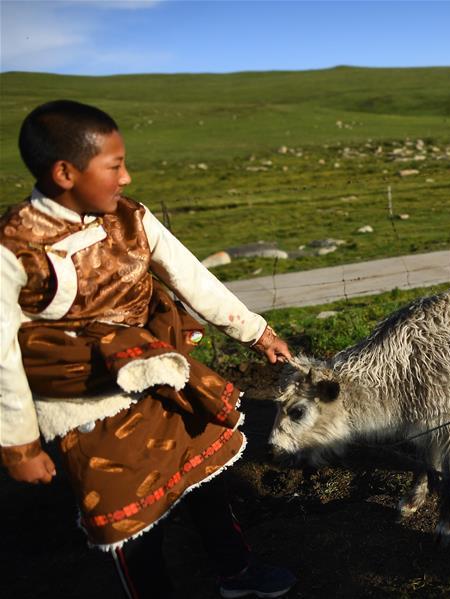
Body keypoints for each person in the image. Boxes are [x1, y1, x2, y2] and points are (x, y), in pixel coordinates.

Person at [0, 100, 297, 598]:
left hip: (163, 378)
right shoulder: (14, 248)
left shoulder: (132, 218)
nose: (127, 178)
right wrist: (20, 445)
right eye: (114, 166)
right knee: (133, 525)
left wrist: (257, 332)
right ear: (64, 172)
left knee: (203, 480)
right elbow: (4, 355)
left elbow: (190, 277)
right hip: (86, 409)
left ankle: (236, 572)